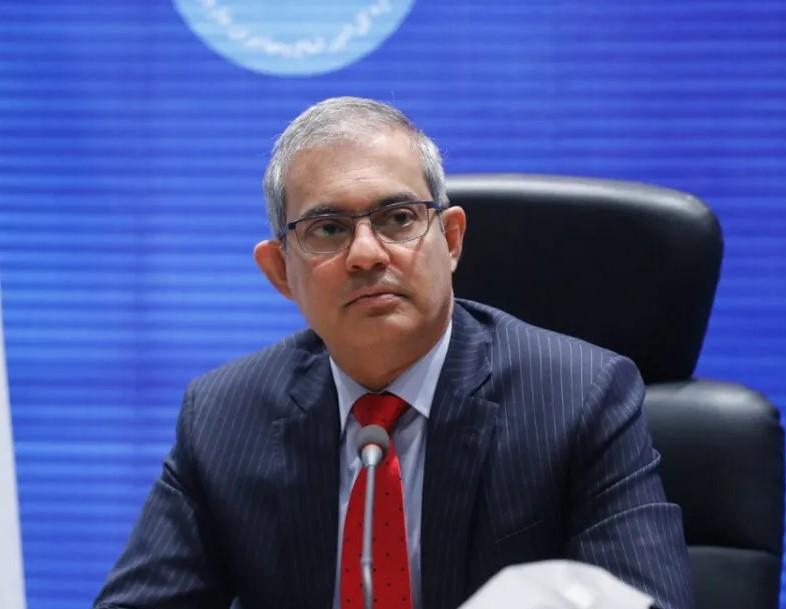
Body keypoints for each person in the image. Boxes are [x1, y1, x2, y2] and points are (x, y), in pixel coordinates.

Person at [94, 97, 693, 609]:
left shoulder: (579, 396)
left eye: (398, 218)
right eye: (328, 229)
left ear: (450, 240)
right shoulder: (224, 416)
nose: (366, 254)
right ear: (280, 271)